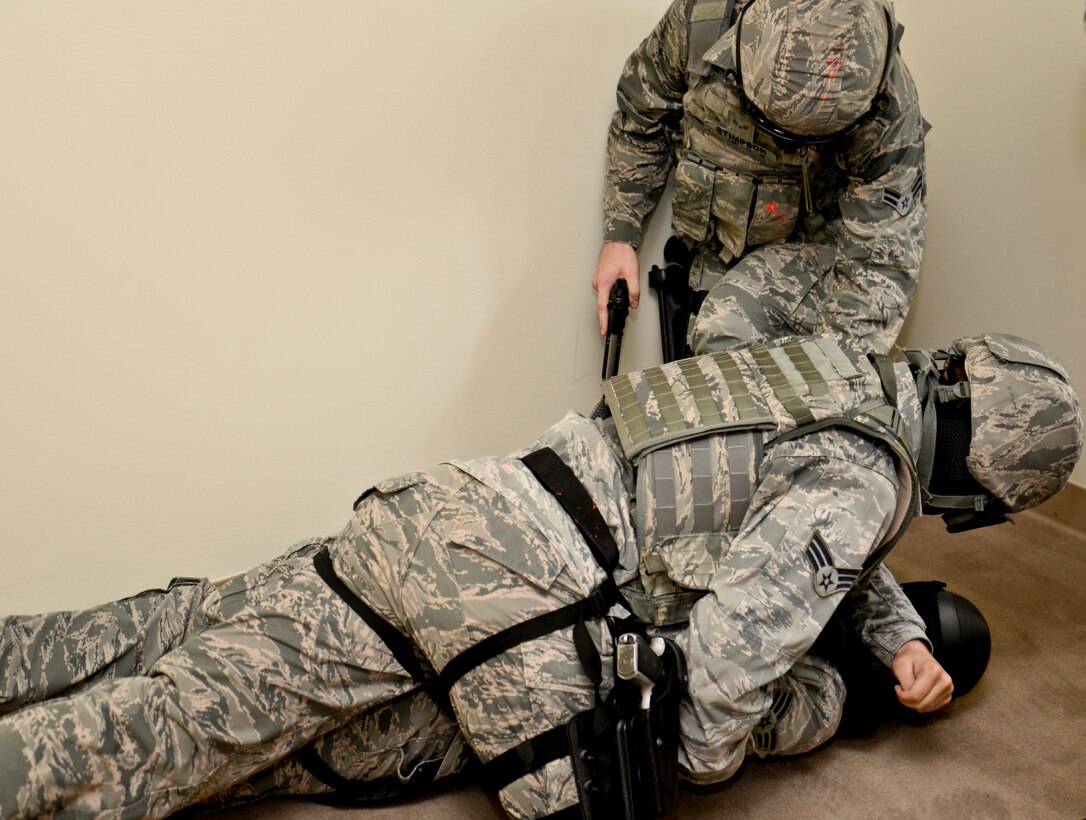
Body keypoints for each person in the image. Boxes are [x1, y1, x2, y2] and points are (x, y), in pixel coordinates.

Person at [1, 332, 1080, 819]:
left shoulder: (835, 363)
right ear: (984, 489)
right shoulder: (867, 482)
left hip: (456, 510)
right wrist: (831, 701)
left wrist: (891, 630)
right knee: (190, 735)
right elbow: (709, 728)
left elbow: (832, 526)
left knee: (189, 634)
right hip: (515, 600)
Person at [593, 0, 928, 356]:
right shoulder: (701, 25)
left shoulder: (889, 105)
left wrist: (835, 373)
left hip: (819, 262)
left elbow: (879, 264)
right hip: (711, 253)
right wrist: (621, 236)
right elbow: (642, 116)